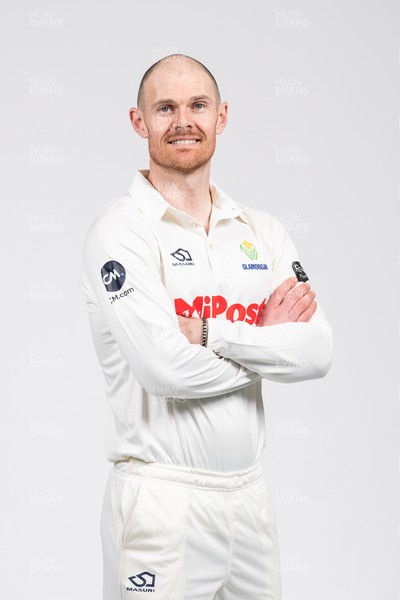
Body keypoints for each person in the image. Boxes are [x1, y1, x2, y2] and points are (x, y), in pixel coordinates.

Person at [79, 53, 333, 600]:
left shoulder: (261, 231)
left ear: (221, 117)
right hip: (160, 500)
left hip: (249, 497)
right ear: (138, 122)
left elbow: (317, 352)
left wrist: (213, 335)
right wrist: (270, 343)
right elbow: (164, 372)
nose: (183, 121)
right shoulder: (120, 232)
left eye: (198, 105)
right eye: (165, 108)